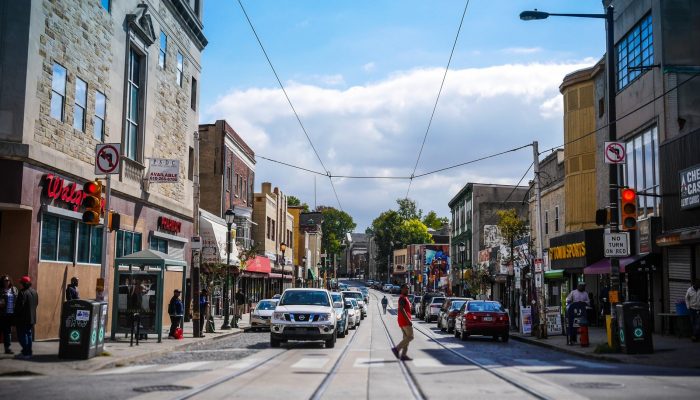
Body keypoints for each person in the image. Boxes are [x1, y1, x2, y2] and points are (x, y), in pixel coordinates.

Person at [15, 276, 38, 359]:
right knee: (28, 334)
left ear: (23, 284)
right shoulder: (34, 292)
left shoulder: (22, 293)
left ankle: (25, 352)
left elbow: (19, 307)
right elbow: (36, 304)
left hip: (23, 318)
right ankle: (29, 352)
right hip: (32, 318)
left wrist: (15, 315)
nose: (20, 284)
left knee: (22, 335)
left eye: (21, 283)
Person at [391, 284, 413, 361]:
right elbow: (401, 309)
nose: (407, 289)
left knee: (406, 338)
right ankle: (396, 349)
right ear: (402, 289)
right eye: (406, 288)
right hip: (405, 321)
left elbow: (405, 308)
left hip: (402, 321)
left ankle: (403, 355)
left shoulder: (404, 298)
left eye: (408, 288)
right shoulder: (402, 298)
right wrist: (408, 320)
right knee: (410, 337)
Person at [1, 275, 18, 354]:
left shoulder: (14, 289)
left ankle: (7, 348)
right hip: (1, 314)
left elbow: (17, 300)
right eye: (5, 280)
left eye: (8, 281)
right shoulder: (0, 290)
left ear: (10, 281)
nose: (6, 282)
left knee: (8, 332)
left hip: (10, 314)